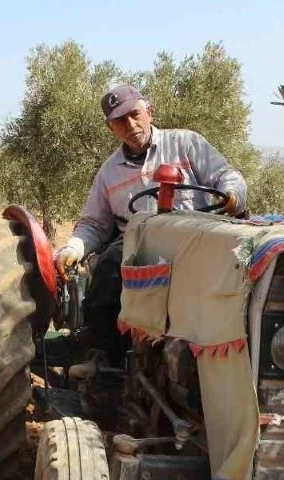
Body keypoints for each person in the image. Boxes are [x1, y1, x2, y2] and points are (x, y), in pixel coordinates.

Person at [54, 84, 249, 367]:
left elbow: (226, 175)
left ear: (149, 112)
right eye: (120, 121)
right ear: (111, 129)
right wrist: (73, 247)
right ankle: (105, 360)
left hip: (196, 237)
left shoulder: (186, 143)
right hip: (141, 245)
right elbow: (94, 224)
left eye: (134, 114)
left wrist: (233, 195)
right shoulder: (109, 173)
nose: (130, 124)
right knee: (108, 270)